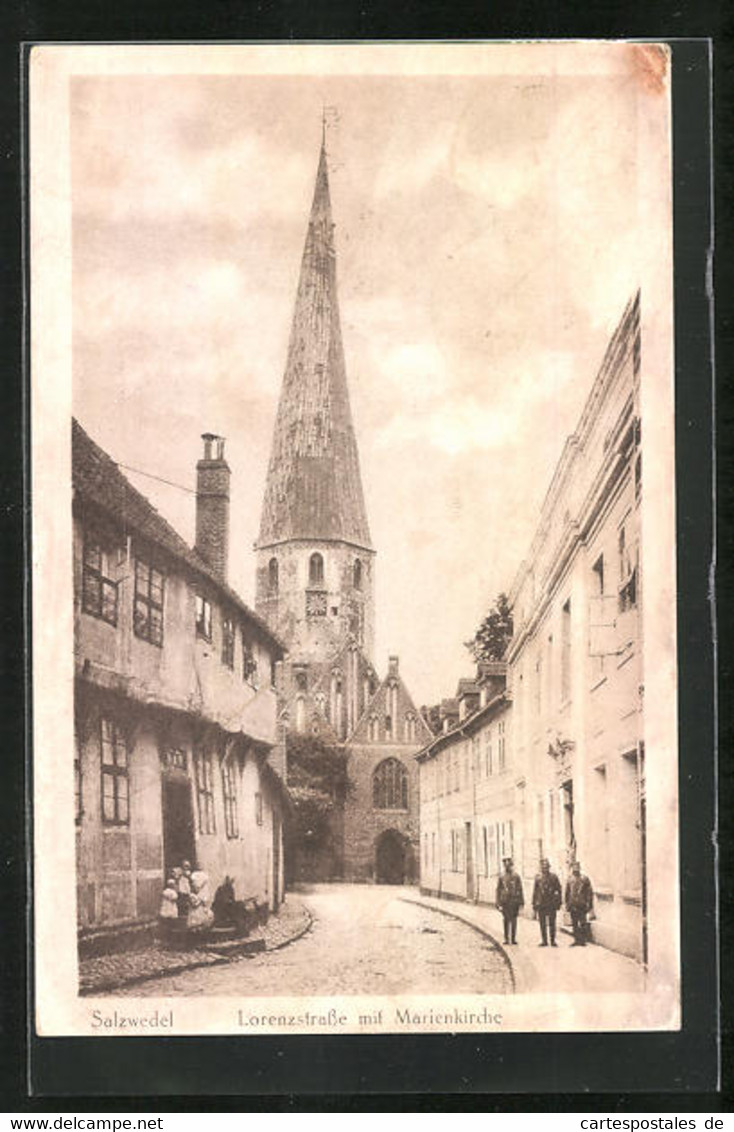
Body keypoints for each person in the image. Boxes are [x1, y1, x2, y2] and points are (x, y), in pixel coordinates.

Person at [532, 857, 563, 947]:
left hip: (551, 904)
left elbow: (559, 889)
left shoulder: (554, 877)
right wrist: (534, 904)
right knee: (542, 924)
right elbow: (535, 891)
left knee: (552, 923)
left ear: (549, 867)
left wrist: (558, 902)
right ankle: (544, 941)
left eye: (546, 866)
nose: (545, 868)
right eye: (543, 867)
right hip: (541, 904)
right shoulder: (538, 878)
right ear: (541, 868)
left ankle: (552, 940)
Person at [495, 857, 524, 945]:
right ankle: (507, 938)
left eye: (509, 865)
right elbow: (498, 890)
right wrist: (498, 902)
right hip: (505, 902)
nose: (508, 867)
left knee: (514, 920)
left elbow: (520, 889)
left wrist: (521, 902)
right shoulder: (502, 877)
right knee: (506, 920)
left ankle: (513, 938)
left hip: (514, 901)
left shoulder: (516, 876)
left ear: (512, 865)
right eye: (506, 866)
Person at [565, 861, 594, 946]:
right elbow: (567, 892)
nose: (575, 869)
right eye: (574, 867)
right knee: (574, 923)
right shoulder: (570, 879)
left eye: (577, 867)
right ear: (572, 869)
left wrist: (589, 904)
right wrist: (567, 903)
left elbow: (589, 892)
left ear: (579, 868)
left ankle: (582, 940)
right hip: (573, 904)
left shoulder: (584, 879)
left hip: (582, 904)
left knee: (582, 922)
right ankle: (576, 940)